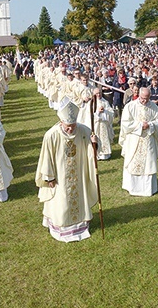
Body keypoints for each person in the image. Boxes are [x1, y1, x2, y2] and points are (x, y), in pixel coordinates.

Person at [35, 98, 98, 242]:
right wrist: (49, 177)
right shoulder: (51, 135)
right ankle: (61, 229)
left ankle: (80, 227)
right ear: (61, 122)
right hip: (59, 175)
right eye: (68, 126)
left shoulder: (82, 130)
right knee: (61, 200)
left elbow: (91, 147)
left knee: (78, 197)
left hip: (79, 174)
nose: (71, 129)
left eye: (73, 125)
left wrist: (94, 144)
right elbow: (46, 157)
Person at [119, 87, 158, 196]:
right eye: (143, 98)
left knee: (148, 163)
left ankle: (148, 189)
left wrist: (150, 125)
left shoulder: (153, 107)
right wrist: (140, 126)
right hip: (134, 140)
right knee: (133, 162)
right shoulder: (130, 106)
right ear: (139, 95)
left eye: (147, 98)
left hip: (148, 140)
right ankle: (133, 188)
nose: (145, 101)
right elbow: (125, 123)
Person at [92, 87, 115, 160]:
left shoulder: (105, 102)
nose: (98, 95)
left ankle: (105, 154)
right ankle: (97, 154)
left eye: (100, 93)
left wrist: (104, 111)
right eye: (97, 93)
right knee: (97, 137)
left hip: (104, 124)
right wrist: (98, 112)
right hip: (96, 124)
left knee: (104, 138)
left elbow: (111, 112)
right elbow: (90, 114)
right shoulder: (92, 103)